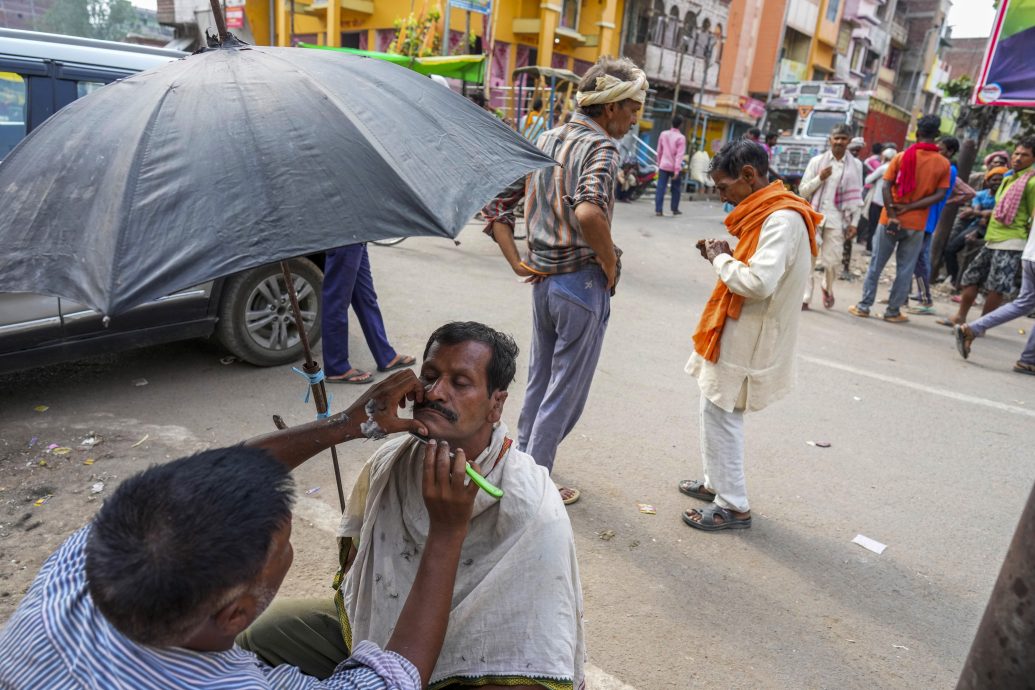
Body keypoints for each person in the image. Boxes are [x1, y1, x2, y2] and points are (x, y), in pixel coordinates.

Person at [0, 372, 480, 689]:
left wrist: (349, 425)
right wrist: (446, 533)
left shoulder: (81, 563)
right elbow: (393, 679)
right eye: (285, 544)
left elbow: (214, 476)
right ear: (235, 614)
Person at [240, 322, 585, 690]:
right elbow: (360, 570)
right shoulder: (391, 460)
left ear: (495, 405)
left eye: (461, 383)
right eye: (430, 376)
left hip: (479, 666)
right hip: (376, 633)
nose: (435, 393)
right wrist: (349, 424)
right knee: (257, 636)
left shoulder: (531, 504)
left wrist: (448, 527)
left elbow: (534, 644)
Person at [481, 56, 646, 503]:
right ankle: (532, 485)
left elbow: (497, 209)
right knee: (563, 393)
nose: (635, 118)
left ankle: (516, 470)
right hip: (580, 283)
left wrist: (518, 262)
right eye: (632, 108)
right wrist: (610, 264)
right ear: (610, 107)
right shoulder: (602, 149)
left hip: (544, 284)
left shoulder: (548, 138)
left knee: (540, 381)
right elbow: (589, 211)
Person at [680, 140, 821, 531]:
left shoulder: (781, 219)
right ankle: (716, 484)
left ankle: (734, 504)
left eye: (725, 188)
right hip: (745, 327)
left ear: (748, 176)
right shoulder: (773, 212)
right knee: (715, 405)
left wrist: (720, 258)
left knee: (722, 411)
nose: (723, 197)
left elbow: (758, 283)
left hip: (753, 332)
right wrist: (725, 255)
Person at [849, 115, 952, 323]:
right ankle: (893, 311)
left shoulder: (902, 157)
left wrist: (895, 214)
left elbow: (886, 185)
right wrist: (912, 207)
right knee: (905, 268)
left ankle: (864, 306)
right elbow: (940, 195)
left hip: (890, 219)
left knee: (876, 264)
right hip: (916, 223)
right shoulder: (943, 163)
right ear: (937, 135)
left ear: (917, 133)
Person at [939, 139, 1035, 327]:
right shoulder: (1008, 177)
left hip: (1012, 240)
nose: (1017, 158)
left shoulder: (1031, 182)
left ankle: (980, 325)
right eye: (1016, 153)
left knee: (996, 287)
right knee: (970, 277)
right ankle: (961, 316)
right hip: (992, 236)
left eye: (1024, 155)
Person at [954, 195, 1035, 375]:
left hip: (1030, 255)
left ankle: (973, 328)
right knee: (1023, 301)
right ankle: (1029, 360)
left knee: (1024, 302)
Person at [322, 244, 415, 383]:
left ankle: (386, 356)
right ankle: (336, 368)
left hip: (358, 235)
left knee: (366, 297)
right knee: (336, 301)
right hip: (345, 235)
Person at [798, 124, 864, 309]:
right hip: (814, 216)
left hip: (838, 219)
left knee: (832, 262)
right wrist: (819, 178)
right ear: (830, 139)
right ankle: (805, 297)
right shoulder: (817, 162)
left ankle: (827, 286)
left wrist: (855, 223)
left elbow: (857, 196)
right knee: (809, 259)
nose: (839, 142)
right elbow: (802, 191)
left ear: (849, 141)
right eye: (836, 138)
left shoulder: (856, 165)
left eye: (843, 138)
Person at [908, 136, 963, 315]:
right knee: (912, 258)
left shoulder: (948, 169)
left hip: (927, 218)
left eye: (941, 149)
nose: (936, 151)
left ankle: (925, 298)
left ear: (950, 152)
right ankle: (911, 294)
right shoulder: (943, 167)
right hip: (923, 217)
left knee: (919, 260)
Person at [942, 167, 1006, 288]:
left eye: (1000, 180)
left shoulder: (1004, 197)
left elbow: (982, 212)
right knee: (950, 250)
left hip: (994, 229)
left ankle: (972, 284)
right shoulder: (980, 194)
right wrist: (984, 214)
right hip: (977, 226)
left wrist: (986, 215)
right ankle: (955, 280)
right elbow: (976, 210)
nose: (997, 182)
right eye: (994, 179)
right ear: (987, 181)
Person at [858, 147, 897, 252]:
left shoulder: (883, 168)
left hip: (877, 201)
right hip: (889, 202)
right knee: (882, 227)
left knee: (872, 225)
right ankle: (878, 248)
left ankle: (869, 248)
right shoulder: (896, 168)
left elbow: (868, 180)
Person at [655, 114, 688, 216]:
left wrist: (658, 163)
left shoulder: (663, 134)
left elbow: (659, 151)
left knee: (661, 188)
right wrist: (677, 170)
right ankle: (674, 209)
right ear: (681, 125)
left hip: (663, 165)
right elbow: (679, 155)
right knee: (676, 189)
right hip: (674, 167)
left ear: (671, 123)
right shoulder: (681, 138)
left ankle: (658, 210)